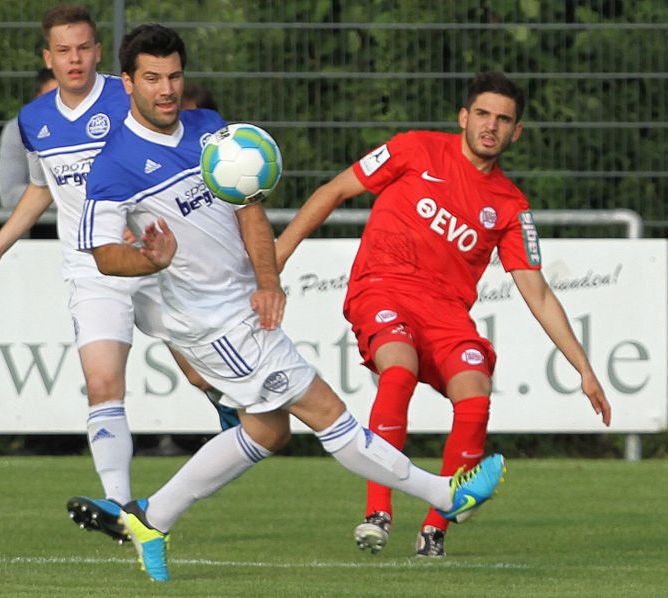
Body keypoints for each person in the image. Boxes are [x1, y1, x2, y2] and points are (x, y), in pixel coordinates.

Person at [77, 23, 506, 582]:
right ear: (128, 82)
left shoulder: (210, 130)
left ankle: (152, 518)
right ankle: (445, 494)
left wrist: (268, 281)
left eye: (175, 77)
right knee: (327, 413)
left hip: (242, 307)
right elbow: (105, 256)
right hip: (211, 323)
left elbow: (249, 208)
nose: (167, 90)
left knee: (268, 431)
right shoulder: (113, 165)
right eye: (153, 79)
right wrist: (149, 260)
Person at [274, 71, 613, 558]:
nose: (490, 126)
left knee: (475, 394)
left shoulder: (511, 206)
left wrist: (584, 368)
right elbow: (335, 190)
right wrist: (279, 253)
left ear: (516, 132)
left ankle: (435, 529)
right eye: (483, 114)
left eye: (503, 119)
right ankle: (378, 512)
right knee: (399, 370)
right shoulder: (415, 148)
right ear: (463, 117)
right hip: (382, 287)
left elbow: (537, 293)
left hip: (446, 313)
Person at [0, 4, 238, 546]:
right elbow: (41, 188)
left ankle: (234, 416)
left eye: (83, 48)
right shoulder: (35, 120)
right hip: (92, 268)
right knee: (103, 384)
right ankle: (122, 509)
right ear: (48, 57)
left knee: (202, 376)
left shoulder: (128, 97)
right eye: (63, 50)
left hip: (150, 259)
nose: (74, 59)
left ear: (98, 51)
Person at [0, 68, 57, 210]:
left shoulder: (98, 128)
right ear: (38, 98)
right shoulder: (17, 130)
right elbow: (10, 196)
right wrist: (71, 194)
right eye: (52, 96)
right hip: (41, 221)